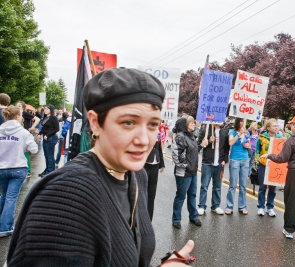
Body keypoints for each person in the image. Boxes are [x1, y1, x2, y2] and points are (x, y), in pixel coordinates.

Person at [7, 68, 195, 266]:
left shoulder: (137, 174)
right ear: (96, 123)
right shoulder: (66, 196)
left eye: (152, 124)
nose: (143, 140)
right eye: (129, 122)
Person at [0, 105, 38, 237]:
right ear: (17, 116)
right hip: (17, 168)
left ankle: (2, 222)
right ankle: (5, 227)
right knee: (11, 197)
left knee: (4, 195)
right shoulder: (23, 133)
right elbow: (34, 149)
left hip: (1, 168)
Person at [171, 116, 201, 229]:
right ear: (185, 125)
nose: (194, 124)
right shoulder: (180, 137)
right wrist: (186, 166)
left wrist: (202, 145)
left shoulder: (192, 136)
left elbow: (194, 151)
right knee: (181, 196)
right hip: (183, 173)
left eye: (194, 122)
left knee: (192, 195)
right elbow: (176, 156)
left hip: (193, 172)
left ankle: (194, 216)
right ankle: (176, 219)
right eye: (191, 123)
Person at [197, 123, 230, 216]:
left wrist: (225, 159)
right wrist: (207, 141)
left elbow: (226, 148)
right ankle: (201, 206)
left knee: (217, 187)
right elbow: (198, 146)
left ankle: (215, 206)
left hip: (219, 164)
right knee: (204, 186)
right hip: (207, 163)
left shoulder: (224, 132)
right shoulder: (205, 130)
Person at [255, 118, 284, 217]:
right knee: (262, 187)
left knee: (273, 188)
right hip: (263, 165)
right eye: (274, 126)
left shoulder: (280, 137)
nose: (276, 127)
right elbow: (257, 150)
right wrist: (257, 162)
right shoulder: (262, 137)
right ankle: (261, 207)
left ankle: (270, 207)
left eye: (277, 126)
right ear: (268, 128)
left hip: (275, 165)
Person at [225, 118, 251, 215]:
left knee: (243, 186)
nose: (243, 123)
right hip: (235, 160)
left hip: (245, 160)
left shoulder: (247, 133)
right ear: (238, 122)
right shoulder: (232, 132)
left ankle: (242, 206)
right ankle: (229, 207)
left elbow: (249, 149)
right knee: (232, 185)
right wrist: (239, 134)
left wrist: (248, 147)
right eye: (241, 122)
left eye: (244, 122)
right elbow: (230, 143)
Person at [144, 133, 165, 221]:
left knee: (151, 195)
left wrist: (162, 164)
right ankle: (141, 219)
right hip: (145, 165)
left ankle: (149, 219)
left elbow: (159, 149)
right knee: (142, 194)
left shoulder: (158, 134)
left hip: (155, 166)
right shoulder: (144, 132)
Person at [38, 104, 60, 176]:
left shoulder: (54, 118)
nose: (45, 110)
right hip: (45, 138)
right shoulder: (45, 117)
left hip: (51, 138)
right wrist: (39, 134)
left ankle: (50, 172)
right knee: (46, 155)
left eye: (47, 109)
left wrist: (48, 135)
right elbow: (44, 128)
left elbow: (57, 129)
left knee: (50, 155)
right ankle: (47, 169)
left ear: (51, 110)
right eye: (45, 109)